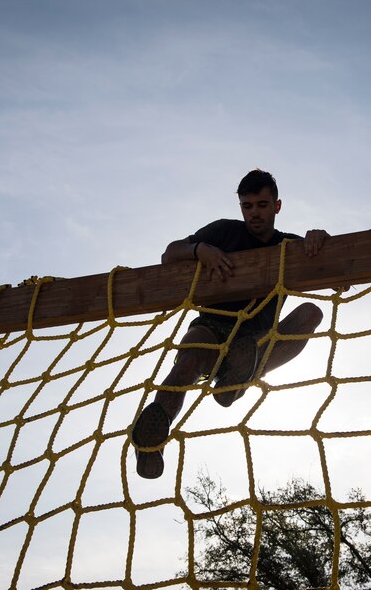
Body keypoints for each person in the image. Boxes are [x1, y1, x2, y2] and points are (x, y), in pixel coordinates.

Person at [132, 169, 329, 479]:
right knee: (188, 359)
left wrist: (321, 241)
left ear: (277, 206)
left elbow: (339, 276)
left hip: (255, 340)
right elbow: (169, 254)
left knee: (310, 313)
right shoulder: (223, 231)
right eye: (247, 206)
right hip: (213, 325)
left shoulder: (289, 246)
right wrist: (199, 250)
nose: (255, 213)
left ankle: (235, 381)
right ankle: (151, 443)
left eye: (262, 205)